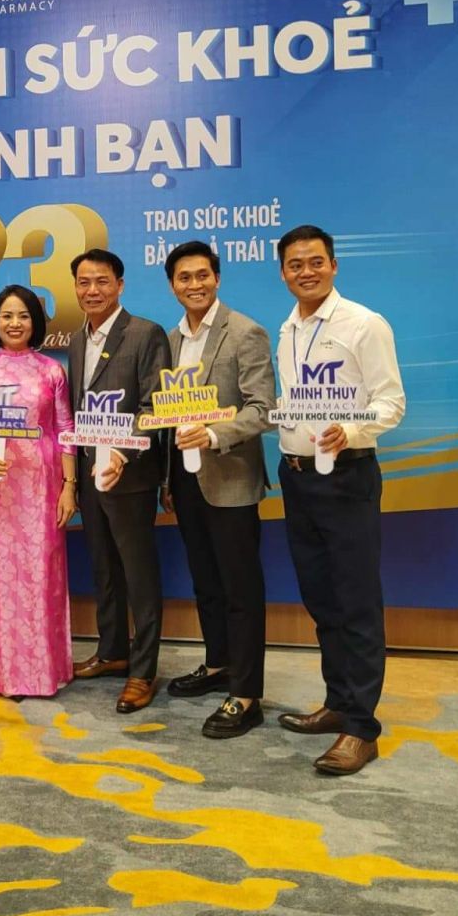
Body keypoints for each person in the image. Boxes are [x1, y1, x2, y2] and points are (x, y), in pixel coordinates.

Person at [274, 224, 406, 775]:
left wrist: (348, 431)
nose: (306, 272)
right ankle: (337, 702)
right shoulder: (288, 329)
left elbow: (391, 403)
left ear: (333, 264)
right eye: (295, 264)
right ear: (283, 272)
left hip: (347, 477)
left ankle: (361, 729)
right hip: (297, 478)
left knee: (356, 603)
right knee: (321, 599)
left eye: (315, 262)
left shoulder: (364, 324)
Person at [157, 241, 276, 738]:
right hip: (185, 481)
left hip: (230, 478)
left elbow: (262, 409)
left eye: (202, 275)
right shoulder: (168, 340)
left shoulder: (245, 332)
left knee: (240, 588)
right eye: (184, 277)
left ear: (217, 278)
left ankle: (246, 695)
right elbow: (167, 416)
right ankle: (219, 663)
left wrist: (212, 434)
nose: (195, 284)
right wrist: (168, 478)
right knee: (206, 581)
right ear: (172, 285)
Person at [66, 248, 172, 713]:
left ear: (120, 285)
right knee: (104, 567)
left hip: (129, 475)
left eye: (102, 281)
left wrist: (124, 454)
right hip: (91, 472)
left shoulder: (145, 334)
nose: (93, 290)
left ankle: (143, 670)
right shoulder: (77, 340)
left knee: (139, 574)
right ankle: (112, 652)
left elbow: (155, 408)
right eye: (84, 282)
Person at [0, 285, 76, 698]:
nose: (14, 323)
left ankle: (41, 671)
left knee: (40, 576)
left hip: (41, 488)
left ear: (35, 322)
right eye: (7, 316)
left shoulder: (51, 371)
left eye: (23, 316)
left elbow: (65, 431)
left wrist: (69, 487)